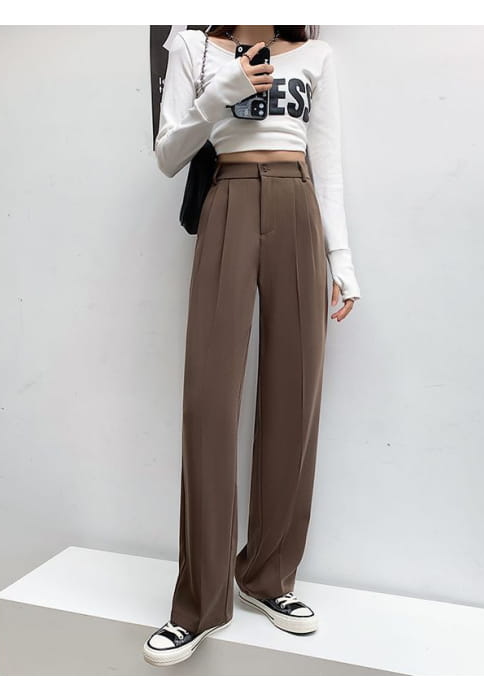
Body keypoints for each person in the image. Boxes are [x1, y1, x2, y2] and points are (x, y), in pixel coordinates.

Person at [143, 25, 361, 667]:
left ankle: (267, 577)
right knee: (208, 402)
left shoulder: (317, 56)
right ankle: (199, 603)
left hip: (297, 205)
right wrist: (225, 91)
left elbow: (327, 162)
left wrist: (342, 259)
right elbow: (167, 154)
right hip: (228, 199)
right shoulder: (192, 47)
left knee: (296, 397)